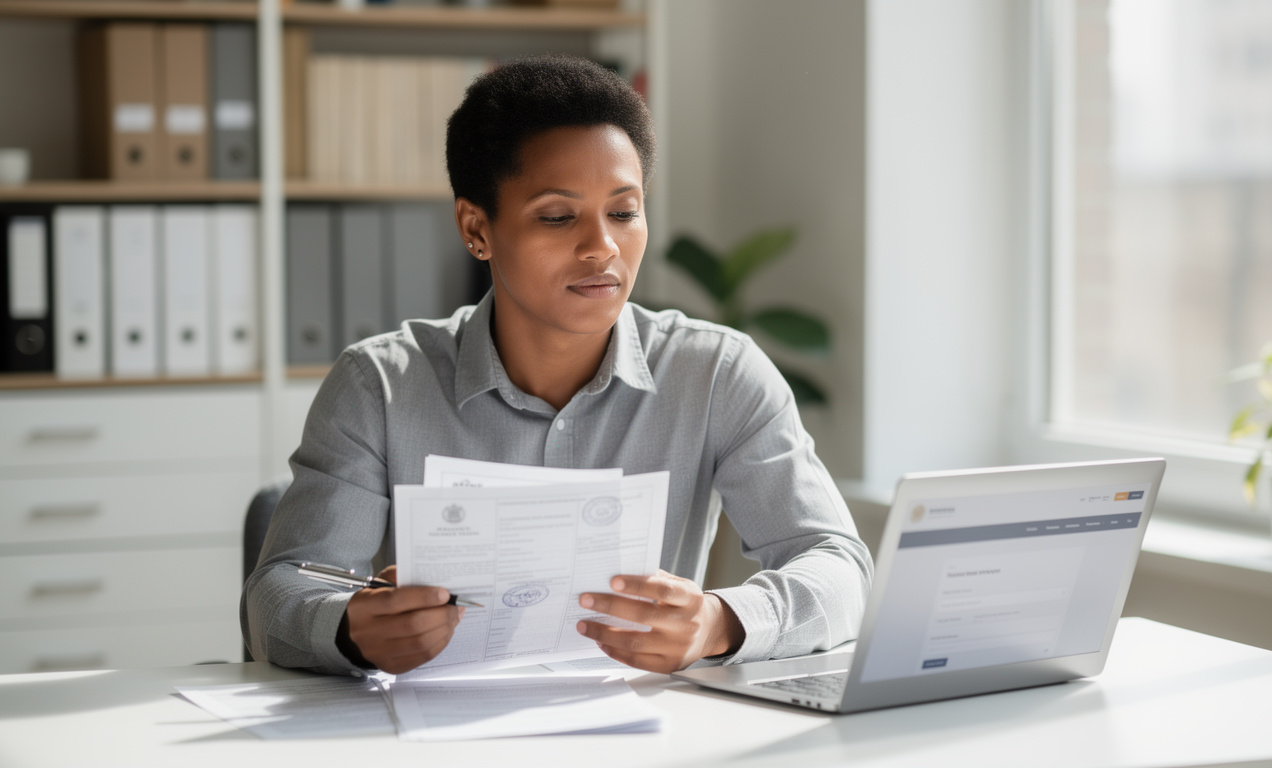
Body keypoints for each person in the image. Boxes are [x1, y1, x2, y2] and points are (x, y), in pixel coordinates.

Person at [242, 54, 872, 677]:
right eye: (557, 215)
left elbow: (838, 565)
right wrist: (352, 629)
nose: (602, 247)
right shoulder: (378, 386)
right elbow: (277, 596)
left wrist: (719, 621)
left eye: (623, 212)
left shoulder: (717, 374)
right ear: (476, 229)